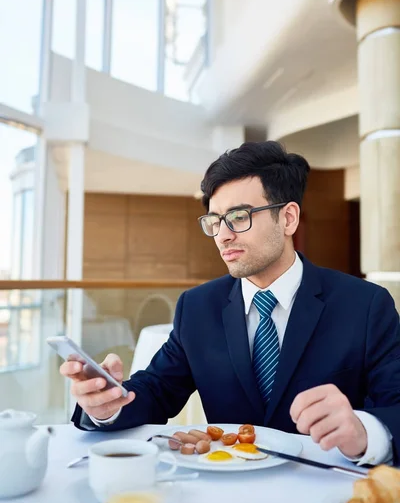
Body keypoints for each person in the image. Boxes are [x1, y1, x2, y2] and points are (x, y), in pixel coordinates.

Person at [62, 141, 400, 465]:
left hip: (327, 498)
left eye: (239, 217)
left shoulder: (366, 305)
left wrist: (364, 431)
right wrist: (108, 405)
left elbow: (396, 407)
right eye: (215, 221)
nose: (223, 235)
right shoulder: (197, 307)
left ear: (288, 219)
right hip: (223, 496)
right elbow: (157, 389)